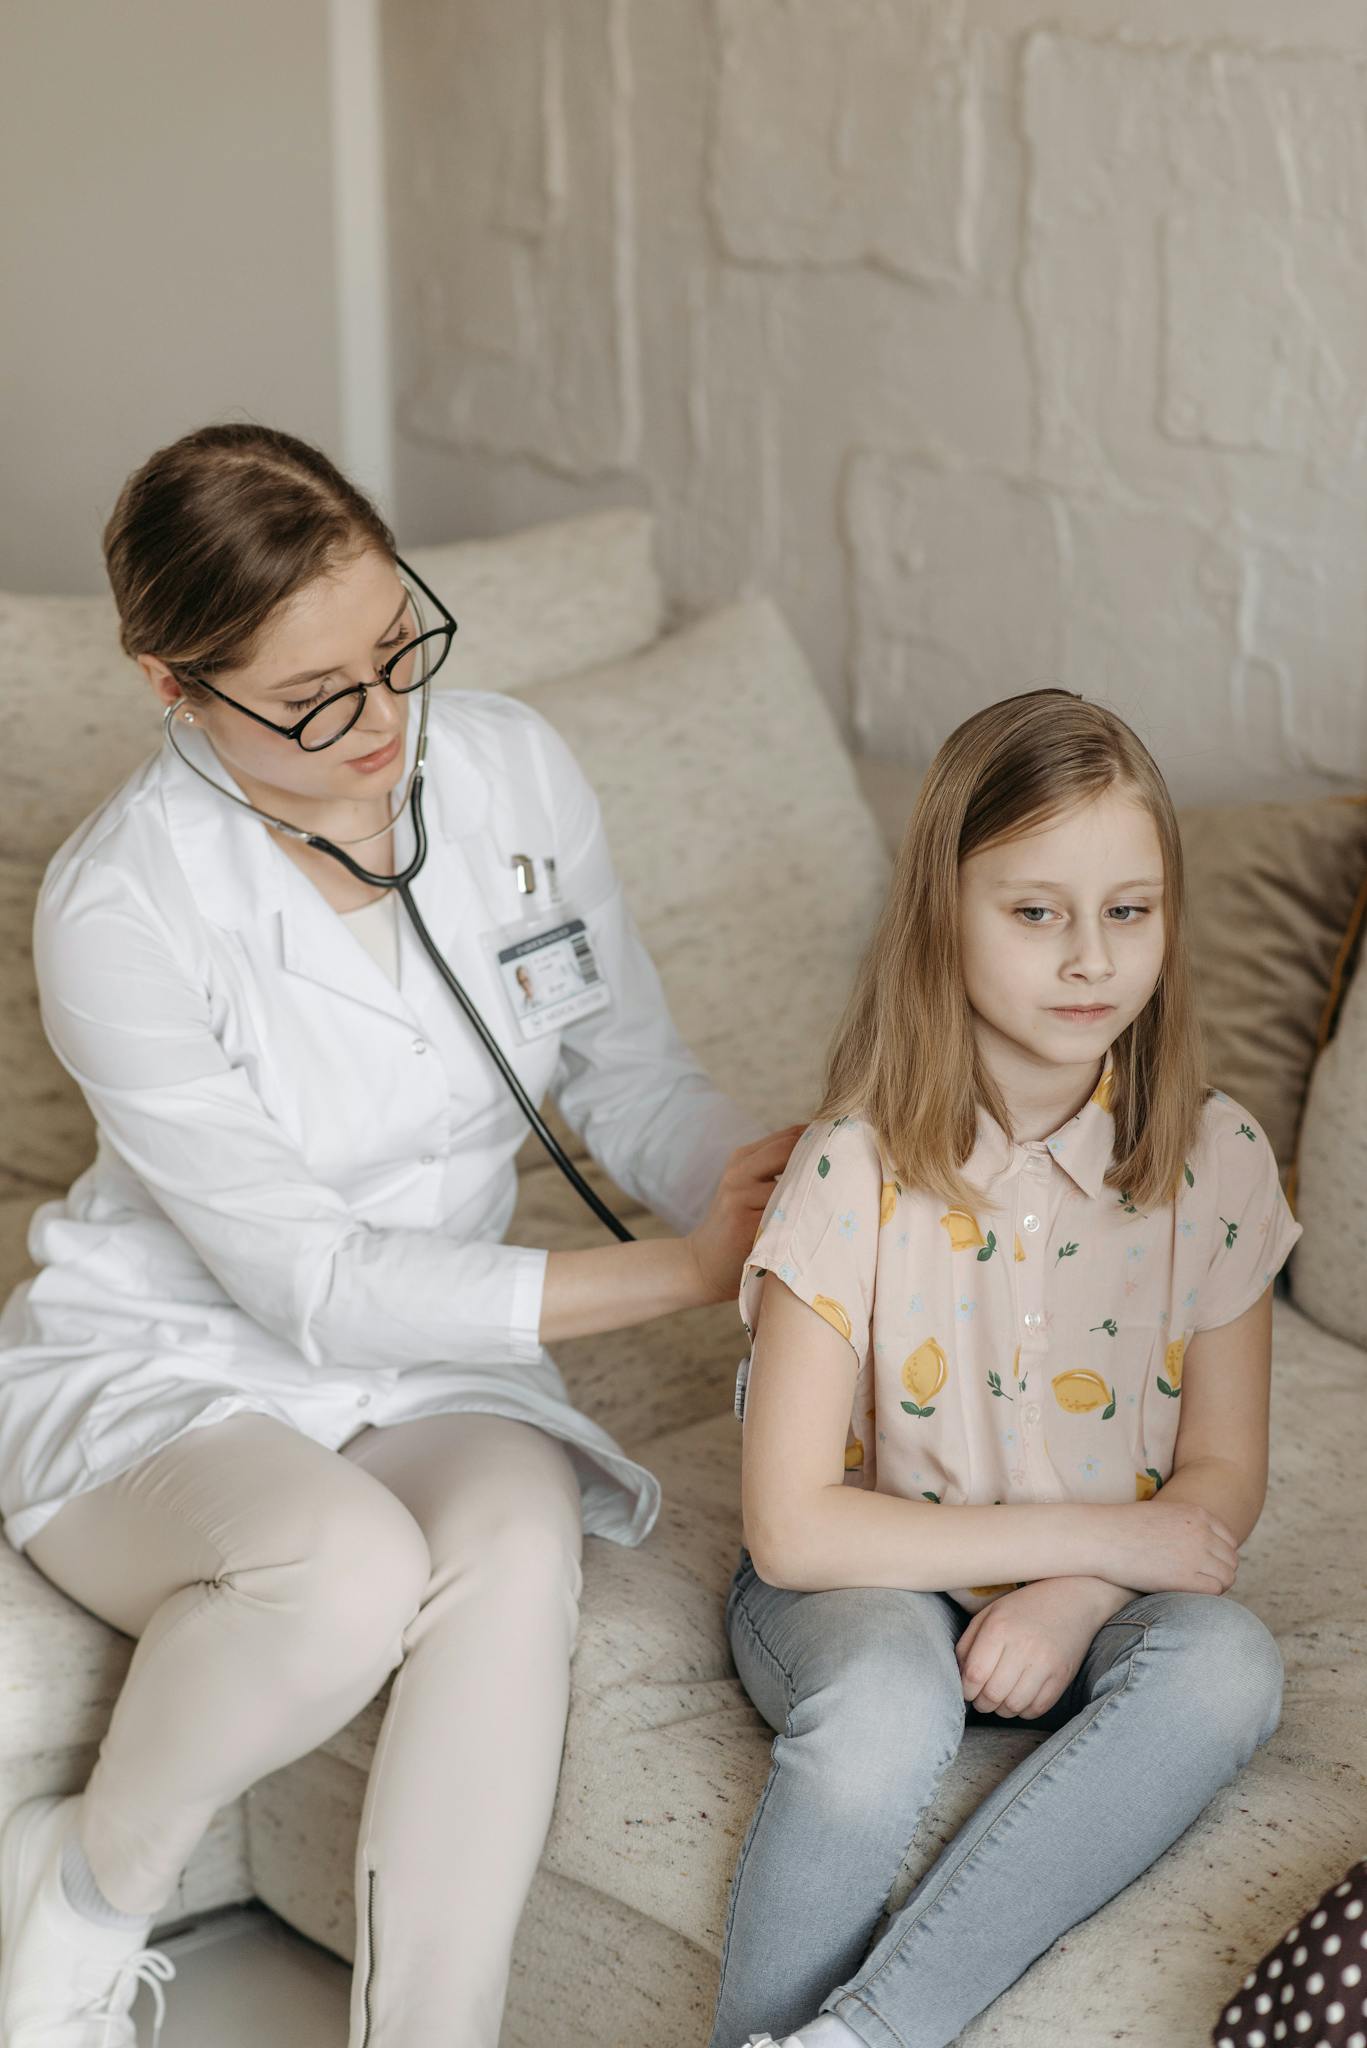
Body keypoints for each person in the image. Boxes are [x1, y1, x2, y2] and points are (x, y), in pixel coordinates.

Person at [0, 423, 800, 2048]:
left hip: (426, 1368)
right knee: (348, 1571)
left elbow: (622, 1072)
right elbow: (311, 1283)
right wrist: (688, 1275)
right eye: (314, 699)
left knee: (514, 1543)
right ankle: (83, 1891)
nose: (384, 722)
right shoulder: (120, 909)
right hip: (172, 1369)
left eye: (394, 649)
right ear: (172, 685)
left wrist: (786, 1194)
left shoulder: (507, 769)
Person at [711, 689, 1301, 2048]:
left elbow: (1219, 1483)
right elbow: (793, 1529)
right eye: (1036, 913)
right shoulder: (849, 1169)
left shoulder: (1217, 1162)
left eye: (1130, 911)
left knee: (1229, 1668)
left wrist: (1080, 1592)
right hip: (864, 1579)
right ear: (943, 918)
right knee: (879, 1713)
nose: (1090, 957)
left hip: (1114, 1582)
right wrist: (1099, 1534)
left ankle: (857, 2039)